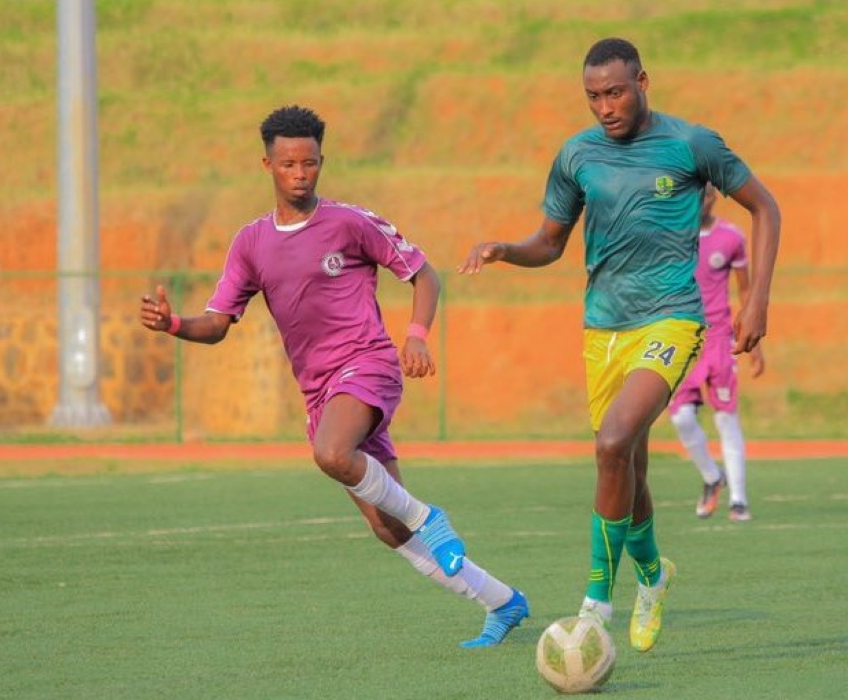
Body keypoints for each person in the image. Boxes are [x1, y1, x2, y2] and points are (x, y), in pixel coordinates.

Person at [138, 105, 528, 648]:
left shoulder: (350, 222)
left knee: (332, 455)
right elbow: (217, 324)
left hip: (368, 365)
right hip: (322, 392)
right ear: (268, 165)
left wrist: (415, 334)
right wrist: (174, 324)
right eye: (289, 164)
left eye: (311, 163)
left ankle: (432, 518)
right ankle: (501, 601)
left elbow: (425, 275)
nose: (300, 173)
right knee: (388, 527)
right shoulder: (250, 242)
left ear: (322, 162)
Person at [457, 38, 781, 653]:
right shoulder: (577, 155)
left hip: (672, 321)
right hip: (602, 328)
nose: (605, 106)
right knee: (626, 464)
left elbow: (765, 207)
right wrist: (506, 249)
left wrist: (756, 298)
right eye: (593, 97)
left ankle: (595, 606)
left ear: (642, 81)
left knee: (612, 442)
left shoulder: (691, 144)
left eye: (615, 92)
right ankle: (654, 577)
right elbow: (551, 243)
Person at [667, 184, 765, 522]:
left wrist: (754, 343)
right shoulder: (672, 235)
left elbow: (746, 290)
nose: (701, 200)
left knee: (726, 417)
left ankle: (738, 499)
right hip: (682, 340)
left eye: (707, 194)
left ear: (714, 197)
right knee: (680, 417)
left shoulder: (731, 237)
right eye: (695, 194)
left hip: (720, 340)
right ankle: (712, 477)